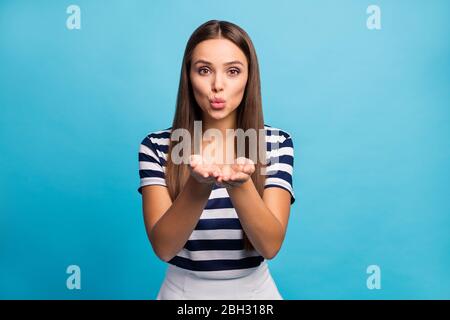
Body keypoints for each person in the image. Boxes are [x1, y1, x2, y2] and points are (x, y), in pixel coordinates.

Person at [137, 20, 295, 300]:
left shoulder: (276, 143)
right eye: (204, 70)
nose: (217, 85)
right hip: (181, 294)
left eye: (233, 71)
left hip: (255, 295)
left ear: (249, 78)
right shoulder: (157, 147)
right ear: (189, 76)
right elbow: (163, 248)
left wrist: (240, 185)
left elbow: (270, 245)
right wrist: (198, 186)